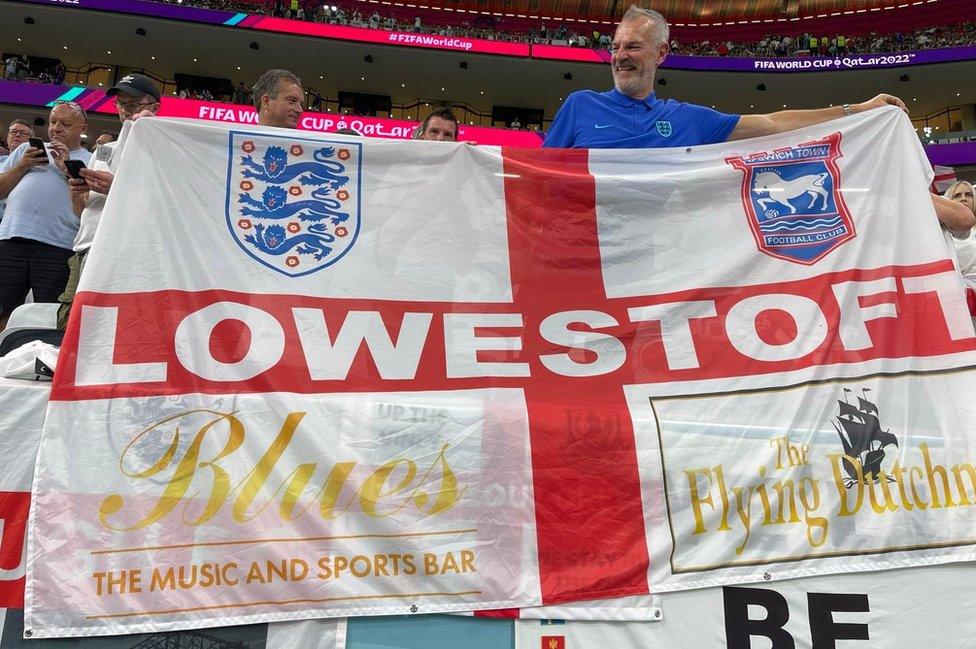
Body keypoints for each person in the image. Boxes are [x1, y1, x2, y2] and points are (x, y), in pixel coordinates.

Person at [543, 5, 908, 150]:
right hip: (586, 267)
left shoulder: (686, 119)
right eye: (617, 46)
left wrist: (858, 108)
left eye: (633, 47)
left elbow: (772, 123)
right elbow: (532, 181)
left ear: (661, 53)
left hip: (659, 273)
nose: (620, 56)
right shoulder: (580, 107)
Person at [57, 74, 160, 329]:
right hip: (85, 246)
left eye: (134, 104)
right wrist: (76, 193)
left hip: (125, 252)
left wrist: (116, 187)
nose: (126, 111)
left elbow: (164, 205)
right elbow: (83, 212)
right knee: (69, 325)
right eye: (121, 104)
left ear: (154, 108)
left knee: (112, 329)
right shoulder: (105, 150)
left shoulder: (164, 150)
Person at [0, 102, 90, 329]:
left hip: (59, 245)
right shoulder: (25, 151)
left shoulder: (92, 160)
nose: (56, 128)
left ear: (82, 128)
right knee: (3, 308)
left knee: (49, 314)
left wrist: (66, 169)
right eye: (53, 122)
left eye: (65, 123)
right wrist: (22, 165)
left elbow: (89, 207)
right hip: (12, 238)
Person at [0, 120, 35, 222]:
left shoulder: (36, 167)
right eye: (13, 131)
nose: (17, 135)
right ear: (7, 137)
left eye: (23, 133)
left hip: (19, 222)